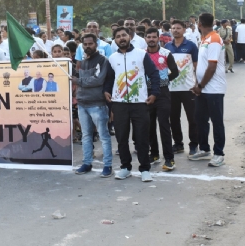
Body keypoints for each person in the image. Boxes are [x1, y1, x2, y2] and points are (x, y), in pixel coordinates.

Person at [104, 26, 160, 182]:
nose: (121, 38)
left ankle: (144, 169)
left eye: (124, 35)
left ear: (129, 37)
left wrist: (154, 93)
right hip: (119, 104)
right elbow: (109, 79)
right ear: (115, 40)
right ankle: (125, 167)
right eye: (118, 36)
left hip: (140, 103)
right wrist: (106, 91)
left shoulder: (142, 55)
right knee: (121, 137)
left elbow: (154, 75)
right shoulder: (112, 58)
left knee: (142, 137)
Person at [189, 13, 227, 167]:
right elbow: (203, 65)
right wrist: (197, 84)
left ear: (199, 24)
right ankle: (204, 148)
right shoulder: (204, 39)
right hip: (203, 88)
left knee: (217, 121)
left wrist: (200, 85)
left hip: (214, 89)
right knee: (200, 119)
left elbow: (212, 67)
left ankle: (219, 153)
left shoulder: (215, 39)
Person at [73, 33, 113, 178]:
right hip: (82, 104)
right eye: (85, 44)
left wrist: (78, 81)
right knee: (86, 135)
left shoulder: (103, 60)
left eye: (90, 44)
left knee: (103, 135)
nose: (87, 46)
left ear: (96, 44)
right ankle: (87, 163)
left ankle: (108, 165)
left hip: (97, 104)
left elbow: (98, 80)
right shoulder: (82, 62)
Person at [144, 28, 179, 170]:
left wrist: (163, 81)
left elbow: (175, 72)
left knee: (164, 125)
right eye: (149, 37)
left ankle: (169, 158)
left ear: (158, 38)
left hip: (163, 93)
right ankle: (154, 154)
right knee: (149, 125)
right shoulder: (141, 54)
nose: (151, 39)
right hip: (146, 92)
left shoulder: (166, 53)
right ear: (145, 38)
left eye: (154, 37)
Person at [165, 20, 199, 155]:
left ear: (184, 30)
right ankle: (178, 144)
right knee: (173, 118)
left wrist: (197, 83)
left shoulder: (191, 46)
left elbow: (196, 65)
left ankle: (194, 144)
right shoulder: (167, 46)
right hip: (171, 89)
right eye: (173, 28)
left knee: (192, 118)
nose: (175, 30)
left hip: (188, 88)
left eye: (178, 28)